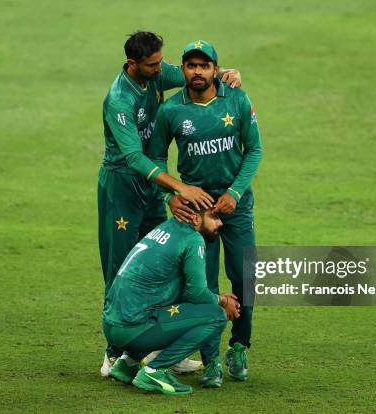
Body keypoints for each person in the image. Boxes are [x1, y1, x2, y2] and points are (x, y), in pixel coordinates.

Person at [98, 31, 242, 376]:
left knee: (163, 262)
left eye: (162, 61)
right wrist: (179, 188)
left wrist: (230, 74)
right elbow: (133, 156)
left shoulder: (157, 72)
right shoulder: (119, 100)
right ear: (133, 64)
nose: (163, 68)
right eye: (154, 64)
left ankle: (163, 348)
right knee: (122, 266)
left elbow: (199, 73)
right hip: (123, 185)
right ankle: (114, 353)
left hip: (153, 185)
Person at [146, 40, 263, 381]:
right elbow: (155, 159)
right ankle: (210, 358)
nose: (197, 71)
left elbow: (254, 149)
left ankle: (239, 345)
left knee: (245, 277)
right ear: (182, 70)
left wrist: (235, 193)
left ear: (215, 69)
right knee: (202, 285)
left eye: (204, 65)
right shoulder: (171, 110)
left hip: (235, 206)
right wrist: (172, 198)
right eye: (190, 65)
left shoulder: (237, 99)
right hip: (194, 212)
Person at [102, 210, 241, 395]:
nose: (220, 223)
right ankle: (154, 371)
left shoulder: (166, 228)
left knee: (169, 304)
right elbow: (196, 294)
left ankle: (127, 364)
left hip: (112, 325)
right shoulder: (192, 239)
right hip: (133, 329)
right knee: (215, 316)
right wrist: (223, 301)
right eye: (214, 217)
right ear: (195, 217)